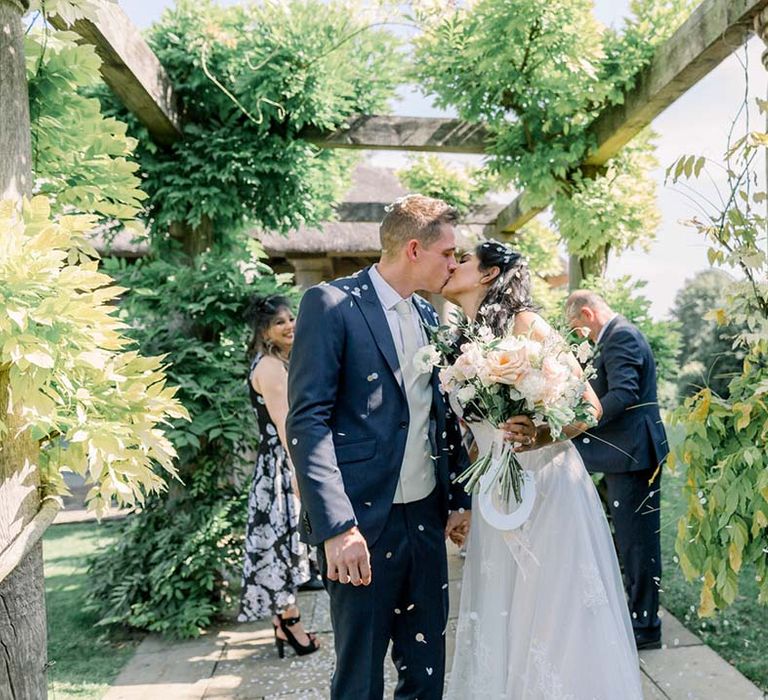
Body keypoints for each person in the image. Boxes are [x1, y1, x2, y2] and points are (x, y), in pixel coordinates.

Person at [286, 195, 536, 699]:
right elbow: (307, 422)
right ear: (415, 249)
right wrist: (337, 528)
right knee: (359, 675)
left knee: (425, 670)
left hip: (423, 519)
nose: (454, 263)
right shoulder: (331, 304)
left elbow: (438, 416)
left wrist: (458, 501)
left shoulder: (427, 315)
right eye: (449, 253)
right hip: (360, 523)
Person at [442, 241, 643, 699]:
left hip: (547, 485)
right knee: (505, 611)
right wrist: (471, 500)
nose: (452, 266)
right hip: (496, 493)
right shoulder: (461, 340)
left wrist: (540, 434)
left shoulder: (527, 325)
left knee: (552, 609)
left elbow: (589, 407)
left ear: (490, 274)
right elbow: (478, 434)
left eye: (464, 260)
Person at [565, 290, 667, 650]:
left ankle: (646, 626)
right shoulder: (615, 335)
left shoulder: (621, 336)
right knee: (627, 538)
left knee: (638, 543)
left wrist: (582, 421)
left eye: (577, 327)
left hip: (635, 454)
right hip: (621, 453)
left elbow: (624, 393)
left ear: (589, 314)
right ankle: (636, 615)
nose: (580, 335)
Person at [238, 294, 320, 658]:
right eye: (279, 323)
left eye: (291, 319)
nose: (290, 326)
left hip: (279, 462)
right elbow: (286, 426)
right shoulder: (270, 368)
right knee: (284, 547)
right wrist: (300, 475)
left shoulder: (277, 362)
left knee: (286, 545)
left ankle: (284, 624)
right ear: (264, 331)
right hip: (280, 466)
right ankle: (292, 626)